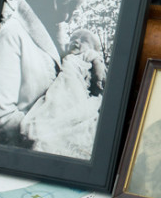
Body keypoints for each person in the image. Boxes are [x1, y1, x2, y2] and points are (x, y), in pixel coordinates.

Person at [0, 0, 93, 146]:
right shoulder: (11, 35)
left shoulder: (57, 32)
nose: (70, 19)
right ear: (57, 1)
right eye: (71, 10)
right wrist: (54, 139)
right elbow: (1, 119)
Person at [19, 28, 106, 159]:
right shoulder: (65, 57)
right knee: (54, 105)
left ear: (93, 48)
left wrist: (99, 78)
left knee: (70, 109)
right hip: (61, 88)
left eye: (84, 40)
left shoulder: (86, 56)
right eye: (73, 39)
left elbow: (97, 62)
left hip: (74, 87)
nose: (76, 41)